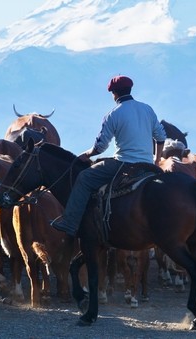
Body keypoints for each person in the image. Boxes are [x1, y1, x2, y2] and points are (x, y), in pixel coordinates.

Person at [50, 75, 167, 237]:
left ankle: (70, 222)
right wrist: (156, 160)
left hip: (124, 163)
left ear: (114, 93)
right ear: (130, 89)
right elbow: (161, 137)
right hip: (147, 164)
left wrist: (87, 154)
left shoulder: (113, 114)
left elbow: (100, 146)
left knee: (84, 177)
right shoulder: (147, 109)